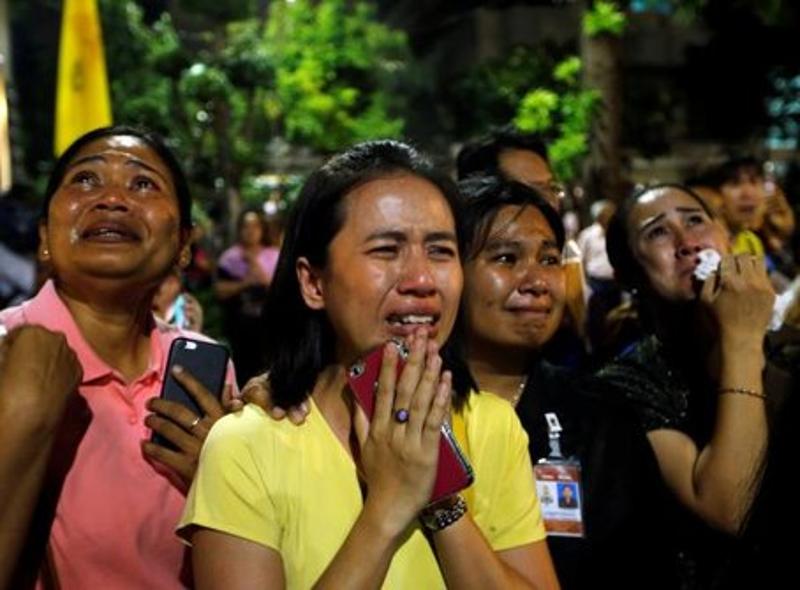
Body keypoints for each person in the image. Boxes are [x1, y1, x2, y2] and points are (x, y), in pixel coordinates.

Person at [179, 140, 559, 589]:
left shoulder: (491, 427)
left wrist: (441, 497)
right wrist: (390, 506)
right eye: (386, 250)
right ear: (314, 282)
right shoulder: (246, 446)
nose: (421, 280)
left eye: (440, 250)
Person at [0, 126, 237, 588]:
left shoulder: (203, 368)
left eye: (143, 183)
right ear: (46, 237)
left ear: (183, 245)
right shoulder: (7, 351)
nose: (111, 198)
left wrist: (229, 488)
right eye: (85, 180)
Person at [456, 176, 672, 589]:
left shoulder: (602, 413)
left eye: (550, 259)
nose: (536, 281)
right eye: (505, 258)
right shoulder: (408, 411)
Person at [597, 183, 789, 587]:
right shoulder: (624, 385)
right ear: (629, 274)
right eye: (658, 233)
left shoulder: (788, 353)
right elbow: (730, 509)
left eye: (695, 220)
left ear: (728, 239)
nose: (687, 243)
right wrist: (740, 337)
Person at [215, 208, 280, 385]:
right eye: (246, 226)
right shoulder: (230, 259)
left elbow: (280, 288)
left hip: (270, 329)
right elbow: (220, 290)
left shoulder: (274, 256)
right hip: (240, 330)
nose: (250, 231)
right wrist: (245, 283)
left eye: (255, 226)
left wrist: (254, 263)